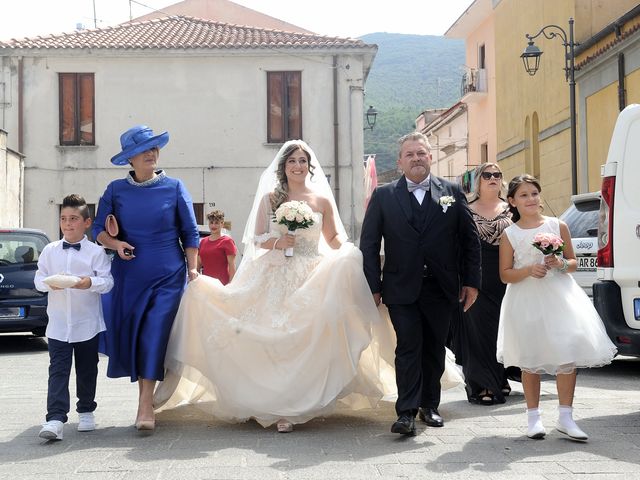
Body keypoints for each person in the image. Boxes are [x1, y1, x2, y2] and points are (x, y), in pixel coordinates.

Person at [154, 140, 393, 433]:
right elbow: (256, 239)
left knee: (304, 337)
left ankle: (295, 404)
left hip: (311, 271)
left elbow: (331, 239)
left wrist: (347, 252)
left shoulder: (321, 201)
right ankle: (274, 404)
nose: (298, 166)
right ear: (284, 167)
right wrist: (279, 241)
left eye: (303, 161)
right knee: (276, 337)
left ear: (310, 166)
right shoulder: (271, 198)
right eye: (292, 161)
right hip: (275, 273)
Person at [360, 132, 481, 436]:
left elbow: (469, 240)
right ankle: (406, 412)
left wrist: (472, 282)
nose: (416, 158)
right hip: (400, 287)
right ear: (400, 161)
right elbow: (370, 243)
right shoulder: (384, 196)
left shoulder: (451, 191)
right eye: (410, 154)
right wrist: (372, 286)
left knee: (434, 348)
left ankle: (430, 405)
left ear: (430, 157)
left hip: (442, 287)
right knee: (409, 347)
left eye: (421, 153)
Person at [93, 125, 199, 432]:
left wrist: (192, 269)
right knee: (137, 337)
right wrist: (116, 244)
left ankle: (144, 405)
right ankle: (147, 398)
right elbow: (98, 229)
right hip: (129, 276)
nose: (151, 154)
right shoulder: (115, 190)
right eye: (144, 150)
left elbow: (190, 232)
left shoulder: (176, 187)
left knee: (153, 334)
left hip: (169, 275)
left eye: (154, 148)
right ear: (131, 158)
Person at [497, 174, 617, 441]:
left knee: (566, 354)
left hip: (559, 297)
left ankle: (565, 417)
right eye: (524, 195)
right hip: (526, 299)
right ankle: (533, 418)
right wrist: (529, 269)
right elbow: (505, 274)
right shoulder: (510, 234)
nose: (530, 199)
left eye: (534, 193)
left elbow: (572, 262)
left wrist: (560, 264)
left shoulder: (557, 225)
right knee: (530, 358)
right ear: (512, 201)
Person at [34, 194, 114, 440]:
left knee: (87, 368)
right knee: (58, 369)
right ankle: (55, 418)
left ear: (86, 223)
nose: (68, 224)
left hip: (86, 323)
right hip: (58, 324)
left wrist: (89, 282)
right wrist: (50, 284)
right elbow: (38, 279)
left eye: (74, 219)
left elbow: (107, 282)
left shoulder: (95, 252)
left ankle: (87, 410)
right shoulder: (49, 250)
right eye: (64, 219)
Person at [454, 163, 516, 406]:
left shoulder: (513, 208)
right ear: (478, 181)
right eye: (487, 175)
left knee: (502, 329)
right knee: (478, 332)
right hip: (475, 276)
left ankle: (500, 377)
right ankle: (482, 385)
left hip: (508, 277)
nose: (493, 178)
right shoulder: (465, 209)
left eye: (497, 174)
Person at [198, 209, 237, 285]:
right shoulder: (203, 242)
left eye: (216, 223)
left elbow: (232, 265)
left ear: (222, 224)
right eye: (211, 223)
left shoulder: (227, 241)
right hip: (206, 285)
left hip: (222, 285)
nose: (213, 225)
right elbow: (199, 263)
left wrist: (231, 284)